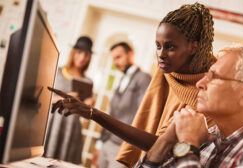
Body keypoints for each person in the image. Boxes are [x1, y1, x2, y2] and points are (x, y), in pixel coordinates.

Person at [48, 2, 216, 167]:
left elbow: (164, 145)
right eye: (158, 46)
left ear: (193, 47)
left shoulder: (208, 88)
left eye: (170, 47)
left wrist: (94, 114)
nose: (161, 55)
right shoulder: (167, 72)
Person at [134, 44, 243, 168]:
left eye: (213, 77)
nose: (199, 83)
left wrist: (187, 144)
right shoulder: (206, 136)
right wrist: (165, 141)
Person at [93, 42, 151, 168]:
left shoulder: (143, 78)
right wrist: (100, 144)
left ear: (130, 54)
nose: (115, 62)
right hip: (107, 143)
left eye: (118, 57)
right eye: (113, 58)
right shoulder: (121, 80)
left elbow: (143, 116)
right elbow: (112, 114)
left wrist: (130, 150)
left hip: (122, 147)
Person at [44, 36, 95, 164]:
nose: (82, 57)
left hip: (72, 127)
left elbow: (85, 114)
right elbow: (44, 97)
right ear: (73, 52)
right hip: (52, 123)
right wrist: (64, 97)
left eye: (86, 55)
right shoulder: (57, 71)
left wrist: (88, 107)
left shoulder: (88, 82)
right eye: (79, 52)